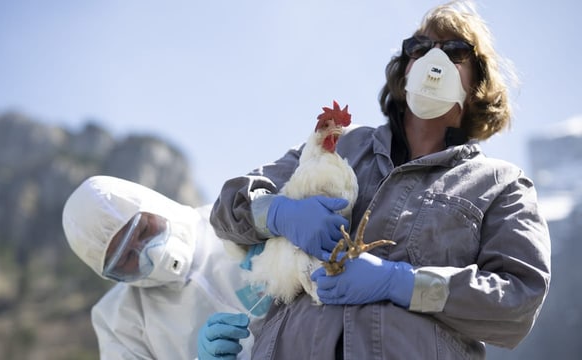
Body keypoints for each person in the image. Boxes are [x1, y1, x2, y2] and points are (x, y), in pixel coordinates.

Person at [207, 1, 551, 359]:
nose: (436, 59)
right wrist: (276, 212)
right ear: (405, 70)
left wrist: (400, 281)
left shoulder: (501, 185)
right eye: (420, 48)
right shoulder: (340, 144)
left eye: (455, 51)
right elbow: (227, 210)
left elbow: (517, 302)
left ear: (477, 79)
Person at [62, 175, 269, 359]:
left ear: (153, 205)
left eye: (143, 229)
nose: (146, 251)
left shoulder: (231, 220)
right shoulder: (118, 322)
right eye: (125, 258)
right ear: (112, 274)